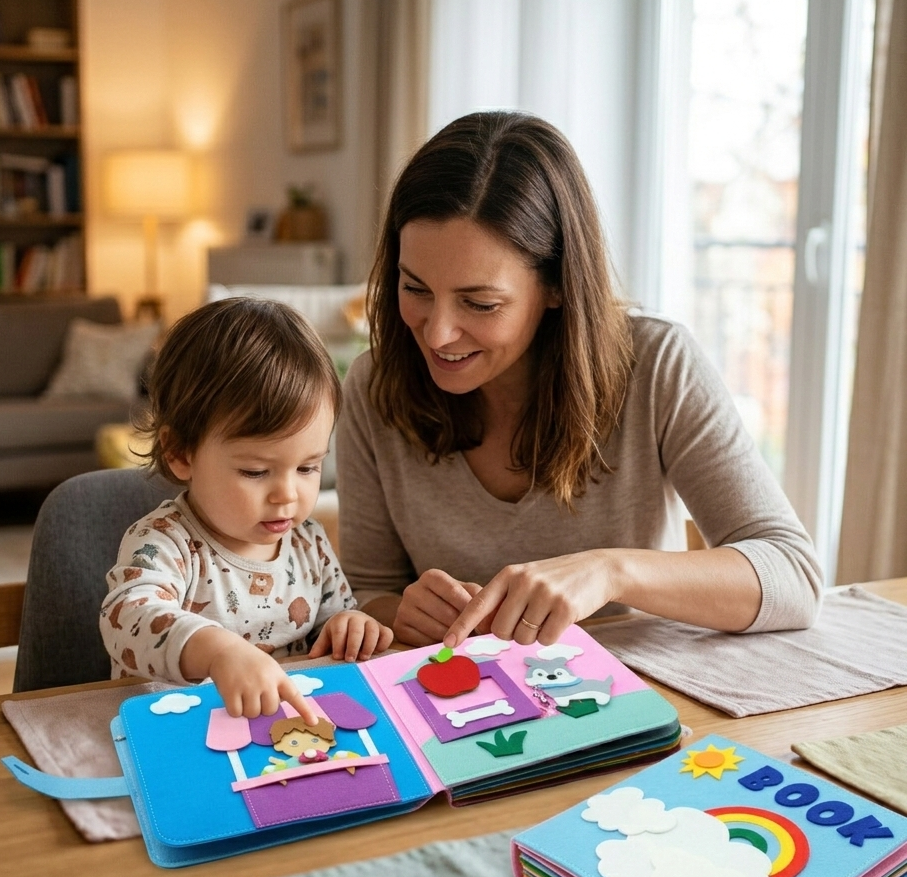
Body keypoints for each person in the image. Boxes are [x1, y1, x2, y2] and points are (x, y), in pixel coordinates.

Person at [336, 111, 822, 650]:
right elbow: (366, 590)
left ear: (557, 285)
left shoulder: (658, 365)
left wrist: (611, 571)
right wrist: (400, 611)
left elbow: (794, 578)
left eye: (480, 303)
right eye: (415, 288)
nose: (438, 333)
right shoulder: (375, 386)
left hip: (635, 690)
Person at [100, 297, 393, 722]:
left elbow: (334, 617)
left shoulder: (309, 542)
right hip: (177, 730)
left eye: (308, 467)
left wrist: (350, 623)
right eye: (256, 472)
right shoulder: (162, 543)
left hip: (281, 731)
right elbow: (127, 619)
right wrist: (218, 651)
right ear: (180, 452)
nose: (287, 495)